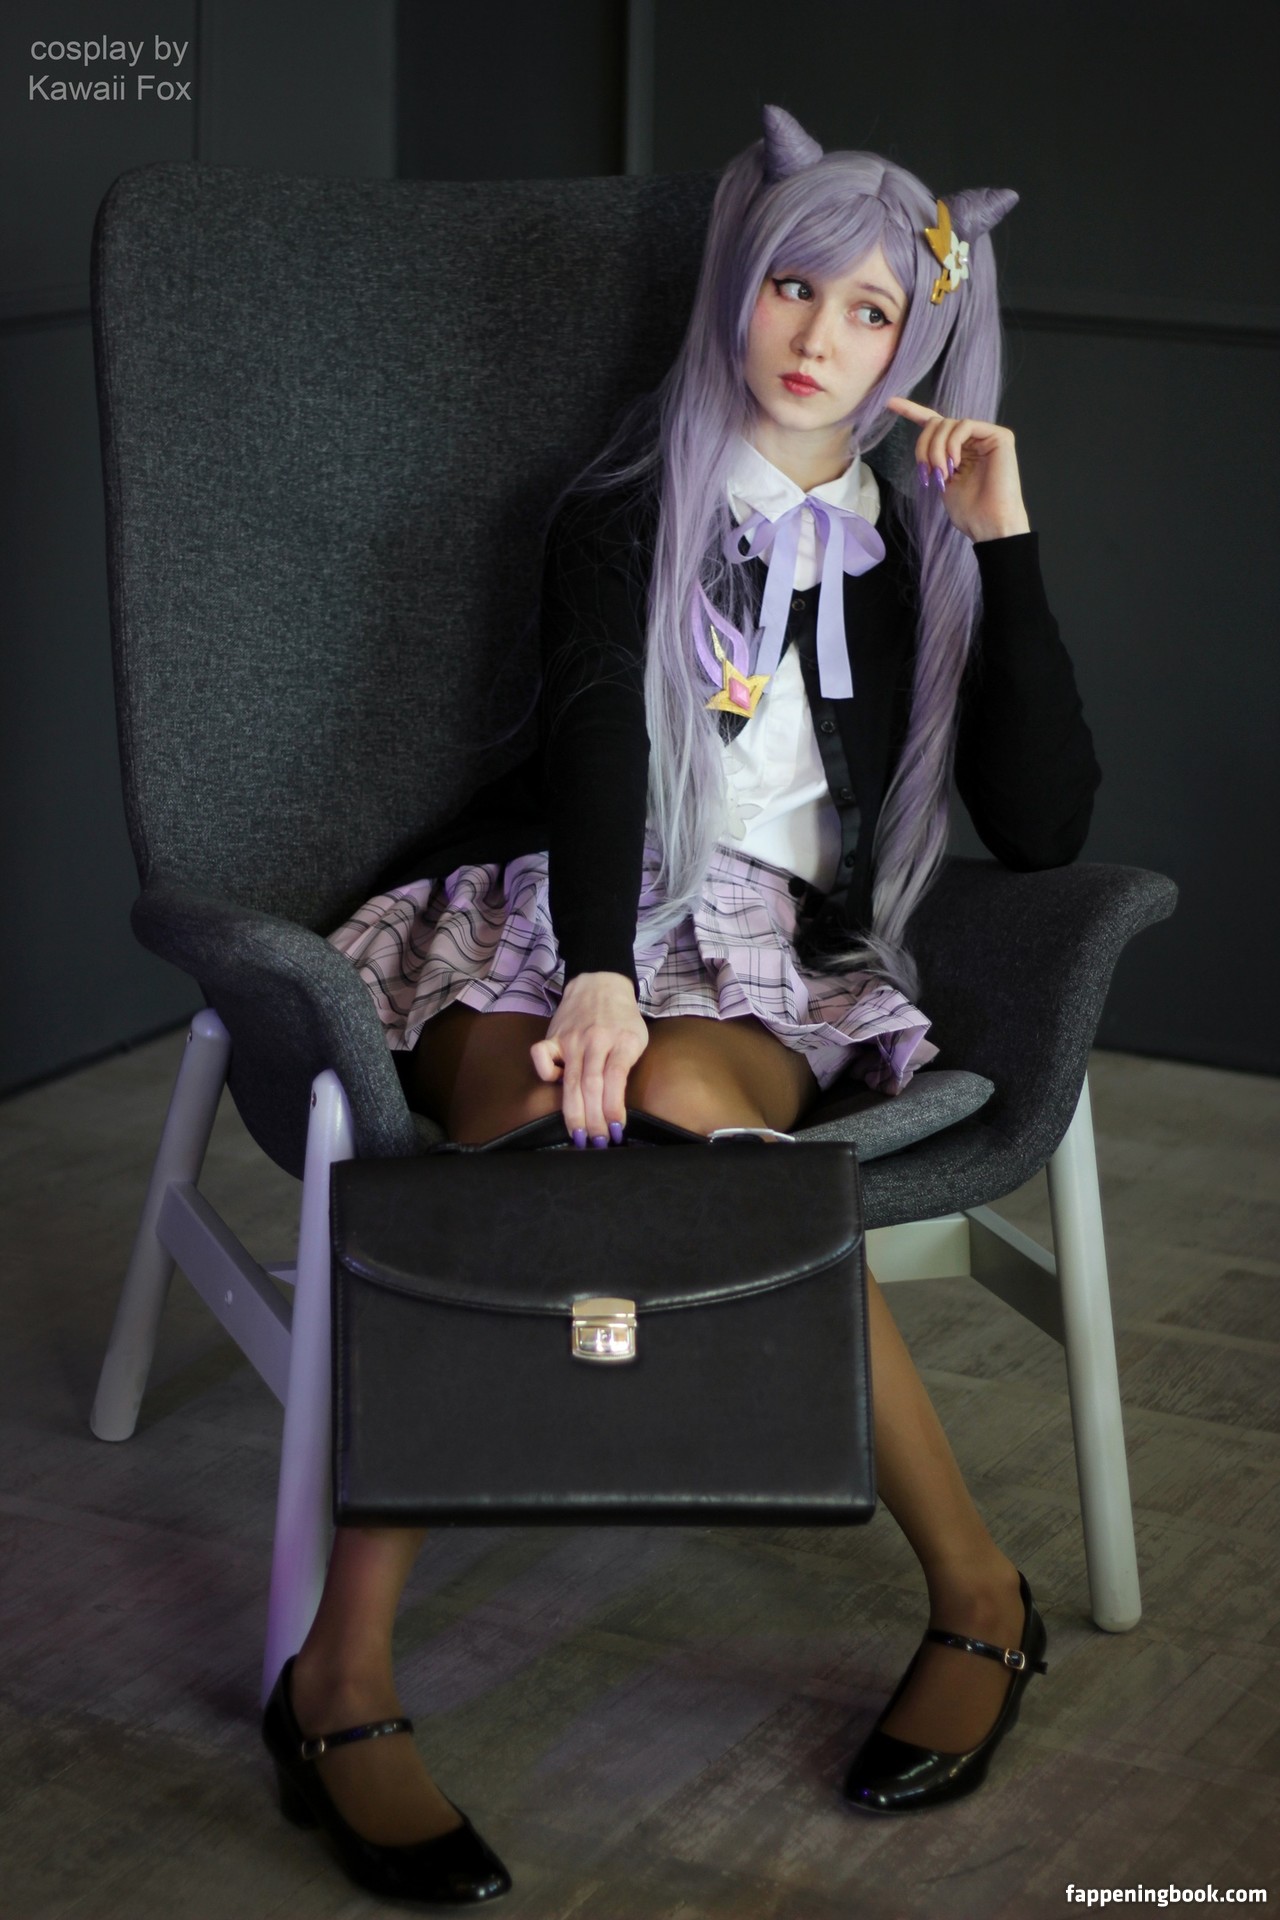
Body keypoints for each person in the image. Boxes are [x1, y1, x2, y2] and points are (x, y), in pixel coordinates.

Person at [262, 106, 1099, 1904]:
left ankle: (979, 1593)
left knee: (695, 1131)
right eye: (795, 286)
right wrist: (594, 969)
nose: (820, 337)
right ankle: (342, 1672)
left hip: (766, 951)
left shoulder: (915, 538)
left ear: (922, 338)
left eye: (871, 311)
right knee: (528, 1136)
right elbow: (593, 748)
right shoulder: (622, 509)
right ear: (738, 282)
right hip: (562, 904)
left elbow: (1046, 827)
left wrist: (1003, 547)